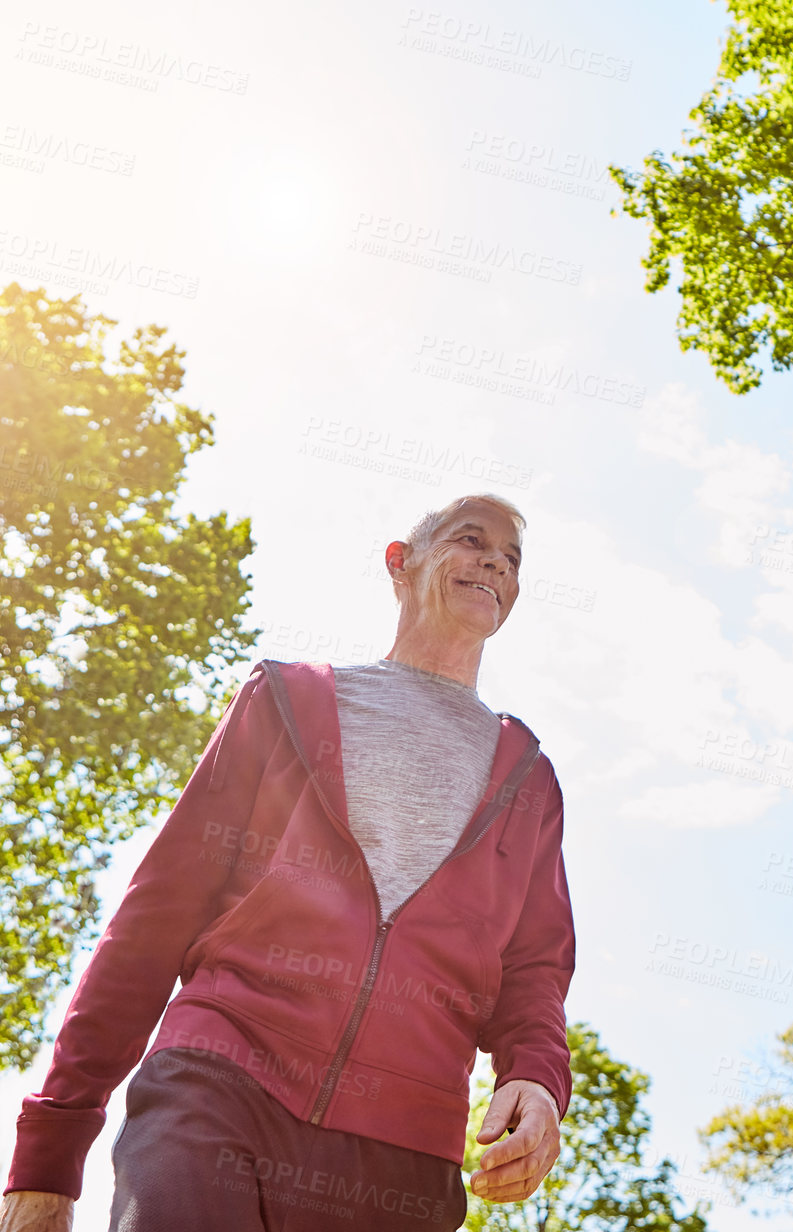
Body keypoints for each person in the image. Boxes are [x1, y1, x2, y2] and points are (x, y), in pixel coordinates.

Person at [2, 493, 574, 1232]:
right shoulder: (284, 701)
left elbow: (533, 970)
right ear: (401, 563)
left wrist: (534, 1077)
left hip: (401, 1152)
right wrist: (50, 1150)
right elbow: (155, 916)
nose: (496, 561)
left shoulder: (527, 777)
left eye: (512, 558)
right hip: (218, 1083)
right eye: (472, 540)